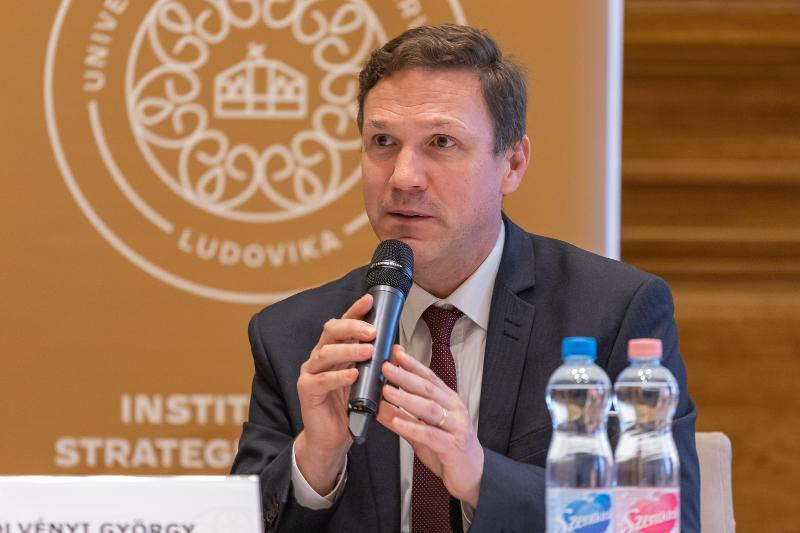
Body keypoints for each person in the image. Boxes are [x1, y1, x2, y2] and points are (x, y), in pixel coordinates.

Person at [231, 24, 700, 532]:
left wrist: (480, 477)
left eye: (441, 142)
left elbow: (664, 523)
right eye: (383, 141)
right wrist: (315, 459)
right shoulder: (296, 337)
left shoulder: (614, 312)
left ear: (512, 163)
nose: (403, 176)